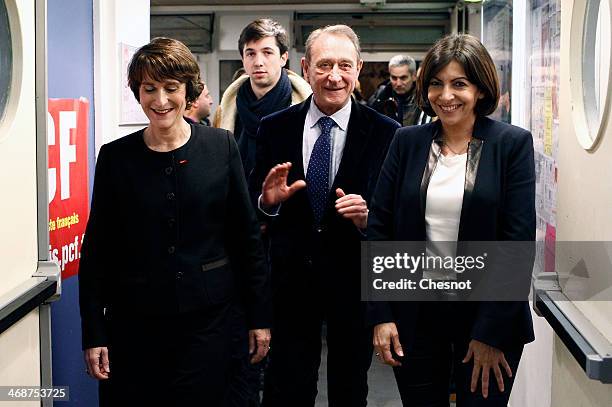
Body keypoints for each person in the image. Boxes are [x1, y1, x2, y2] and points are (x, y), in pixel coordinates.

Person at [78, 37, 271, 406]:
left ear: (189, 91)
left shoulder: (221, 147)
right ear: (138, 92)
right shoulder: (116, 158)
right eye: (149, 89)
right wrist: (94, 332)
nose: (160, 100)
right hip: (135, 325)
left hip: (210, 323)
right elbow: (99, 250)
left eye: (171, 88)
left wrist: (259, 316)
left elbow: (245, 239)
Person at [367, 34, 535, 406]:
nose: (446, 96)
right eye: (436, 84)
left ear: (480, 88)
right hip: (416, 316)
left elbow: (516, 244)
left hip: (488, 318)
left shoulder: (511, 145)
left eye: (459, 84)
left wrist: (491, 333)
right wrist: (381, 314)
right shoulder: (407, 142)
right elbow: (379, 229)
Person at [250, 25, 400, 407]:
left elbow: (398, 218)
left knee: (350, 389)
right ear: (304, 67)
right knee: (288, 388)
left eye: (345, 65)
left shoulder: (387, 133)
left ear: (358, 67)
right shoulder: (274, 127)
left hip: (353, 283)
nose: (335, 75)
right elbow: (254, 209)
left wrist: (369, 219)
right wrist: (269, 202)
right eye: (325, 64)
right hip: (290, 284)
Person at [213, 18, 311, 179]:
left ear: (283, 58)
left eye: (267, 52)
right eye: (251, 53)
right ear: (242, 59)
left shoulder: (307, 108)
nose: (258, 62)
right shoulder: (226, 110)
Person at [368, 54, 423, 126]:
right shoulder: (381, 96)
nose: (398, 83)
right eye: (394, 78)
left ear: (414, 76)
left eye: (403, 78)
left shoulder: (423, 99)